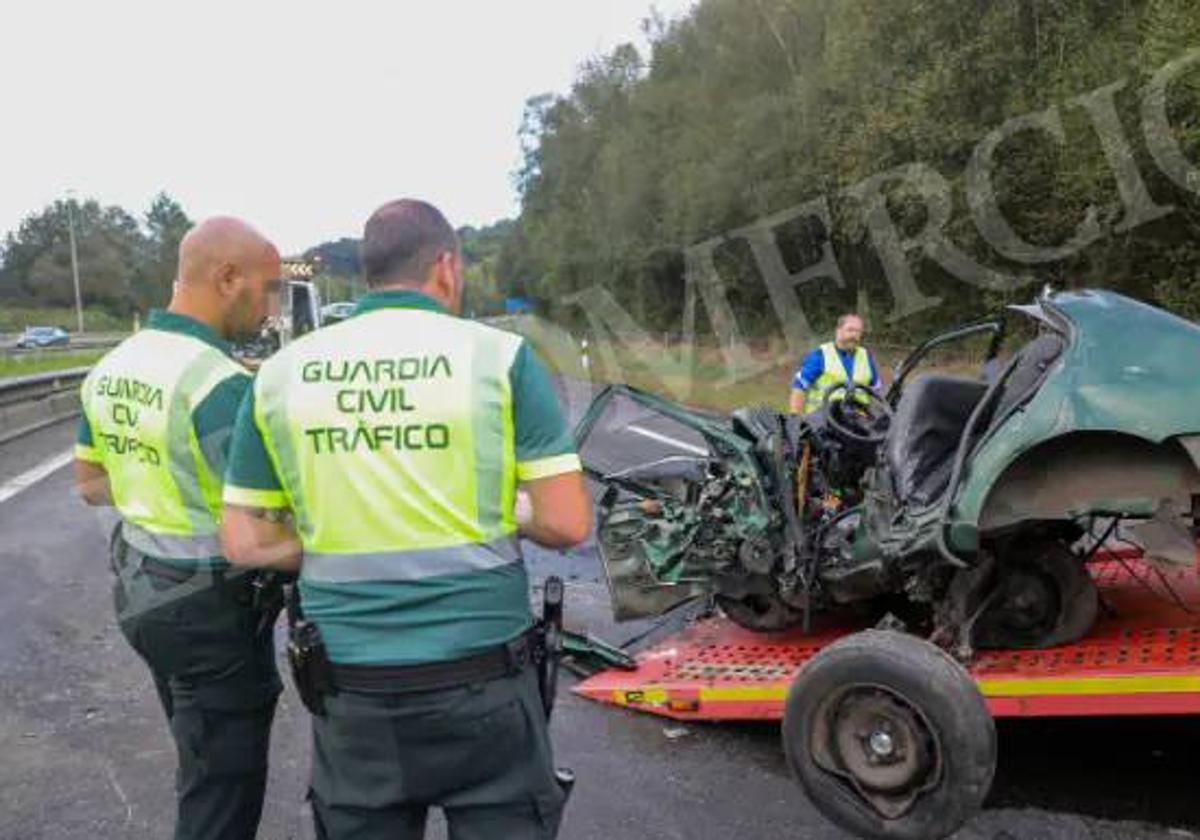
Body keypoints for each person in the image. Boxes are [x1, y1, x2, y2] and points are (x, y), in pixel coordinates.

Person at [220, 198, 592, 840]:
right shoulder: (499, 358)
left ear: (368, 274)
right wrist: (490, 506)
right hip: (485, 685)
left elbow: (244, 541)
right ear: (446, 267)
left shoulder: (280, 375)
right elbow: (566, 523)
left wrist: (340, 536)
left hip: (353, 692)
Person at [73, 218, 285, 840]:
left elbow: (91, 484)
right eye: (267, 288)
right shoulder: (222, 387)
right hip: (210, 611)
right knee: (222, 790)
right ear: (227, 278)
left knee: (199, 752)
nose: (270, 306)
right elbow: (269, 520)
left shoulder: (113, 366)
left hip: (141, 589)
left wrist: (160, 484)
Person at [789, 313, 882, 415]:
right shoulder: (820, 355)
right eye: (850, 330)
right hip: (824, 423)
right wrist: (796, 417)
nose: (854, 335)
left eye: (858, 331)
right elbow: (799, 387)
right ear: (838, 331)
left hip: (859, 424)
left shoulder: (866, 356)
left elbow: (877, 391)